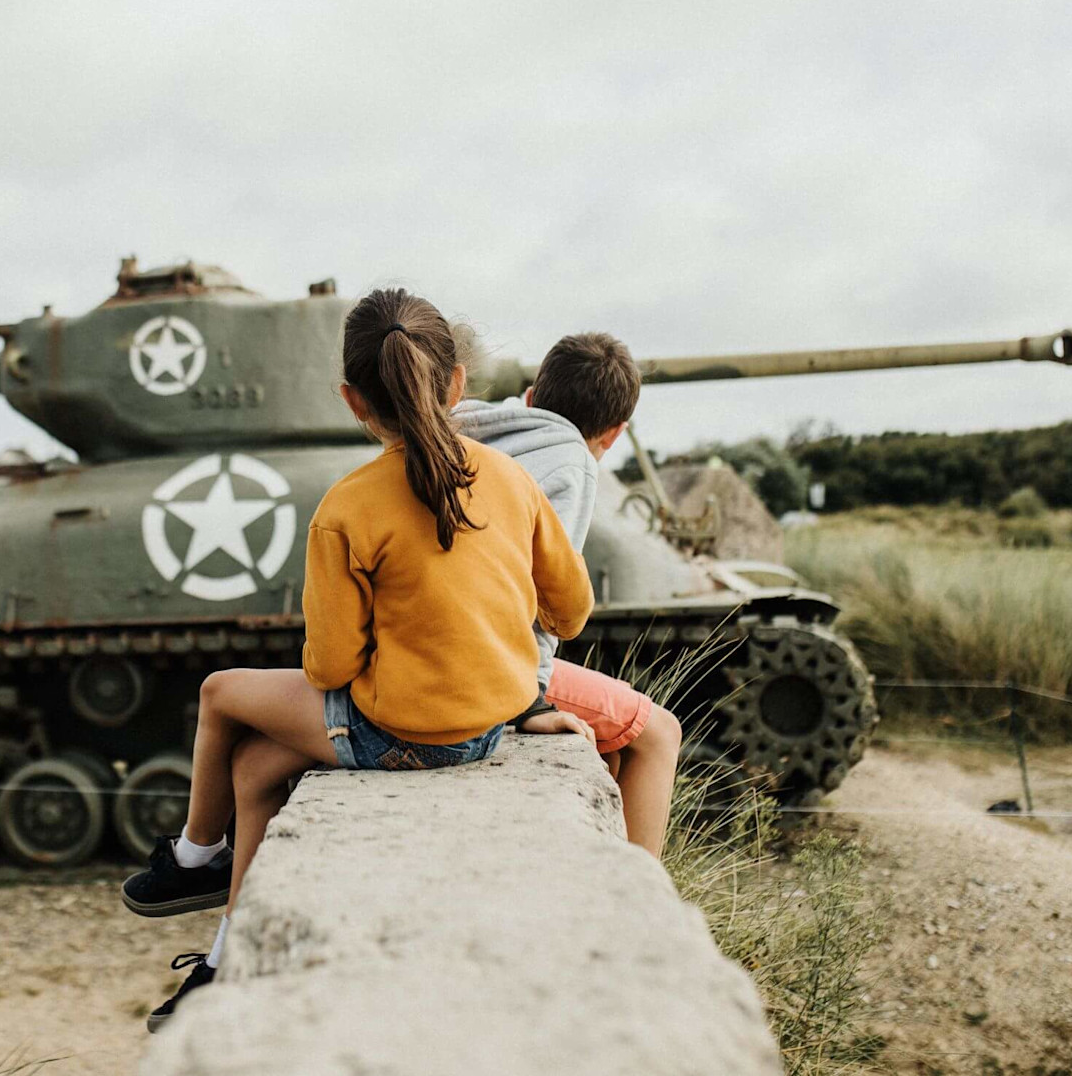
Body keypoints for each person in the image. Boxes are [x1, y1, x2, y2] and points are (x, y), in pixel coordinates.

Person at [121, 288, 595, 1031]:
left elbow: (331, 668)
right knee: (252, 772)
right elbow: (570, 610)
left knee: (220, 693)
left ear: (351, 400)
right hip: (493, 725)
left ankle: (190, 856)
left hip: (401, 737)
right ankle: (222, 961)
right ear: (458, 384)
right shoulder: (514, 480)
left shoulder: (347, 506)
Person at [451, 331, 684, 856]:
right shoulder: (570, 464)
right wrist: (528, 701)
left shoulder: (471, 426)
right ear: (616, 433)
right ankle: (637, 905)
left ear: (531, 395)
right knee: (659, 732)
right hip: (493, 664)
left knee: (614, 748)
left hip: (441, 642)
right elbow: (541, 605)